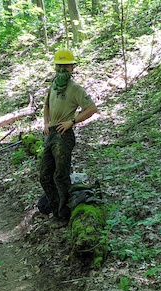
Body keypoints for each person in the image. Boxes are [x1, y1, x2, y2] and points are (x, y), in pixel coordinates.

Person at [40, 49, 98, 227]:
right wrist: (46, 123)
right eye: (60, 66)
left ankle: (63, 216)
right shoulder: (54, 85)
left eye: (66, 66)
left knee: (61, 175)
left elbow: (91, 108)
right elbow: (47, 105)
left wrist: (72, 122)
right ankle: (56, 209)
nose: (62, 69)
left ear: (72, 68)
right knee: (44, 175)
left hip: (64, 135)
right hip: (51, 133)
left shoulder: (75, 88)